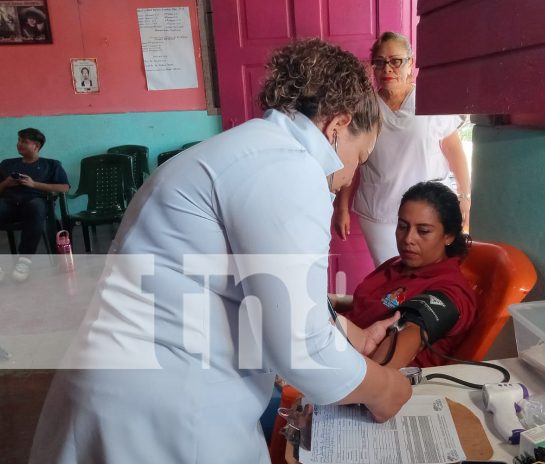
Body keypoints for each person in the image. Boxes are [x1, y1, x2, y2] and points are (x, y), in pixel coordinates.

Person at [29, 39, 411, 464]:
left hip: (124, 384)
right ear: (337, 126)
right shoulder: (289, 169)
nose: (348, 178)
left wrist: (352, 335)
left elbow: (264, 294)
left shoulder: (247, 149)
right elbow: (301, 348)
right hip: (165, 407)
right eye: (361, 157)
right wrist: (385, 388)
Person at [334, 31, 472, 266]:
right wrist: (342, 207)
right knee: (389, 275)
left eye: (396, 61)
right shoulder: (365, 107)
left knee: (426, 275)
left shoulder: (431, 101)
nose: (387, 69)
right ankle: (395, 305)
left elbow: (455, 153)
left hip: (428, 211)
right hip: (378, 213)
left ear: (411, 63)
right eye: (380, 62)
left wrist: (465, 196)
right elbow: (353, 162)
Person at [331, 181, 477, 368]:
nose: (408, 239)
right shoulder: (398, 265)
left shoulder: (449, 291)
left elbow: (411, 331)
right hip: (340, 348)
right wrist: (331, 301)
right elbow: (379, 302)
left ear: (448, 236)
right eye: (402, 226)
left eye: (423, 231)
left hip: (363, 373)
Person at [0, 128, 69, 282]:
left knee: (36, 206)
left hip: (34, 204)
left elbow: (64, 187)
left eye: (24, 141)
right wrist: (6, 183)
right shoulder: (6, 164)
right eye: (18, 140)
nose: (19, 144)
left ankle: (24, 261)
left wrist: (34, 184)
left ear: (36, 146)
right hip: (9, 204)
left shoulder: (51, 165)